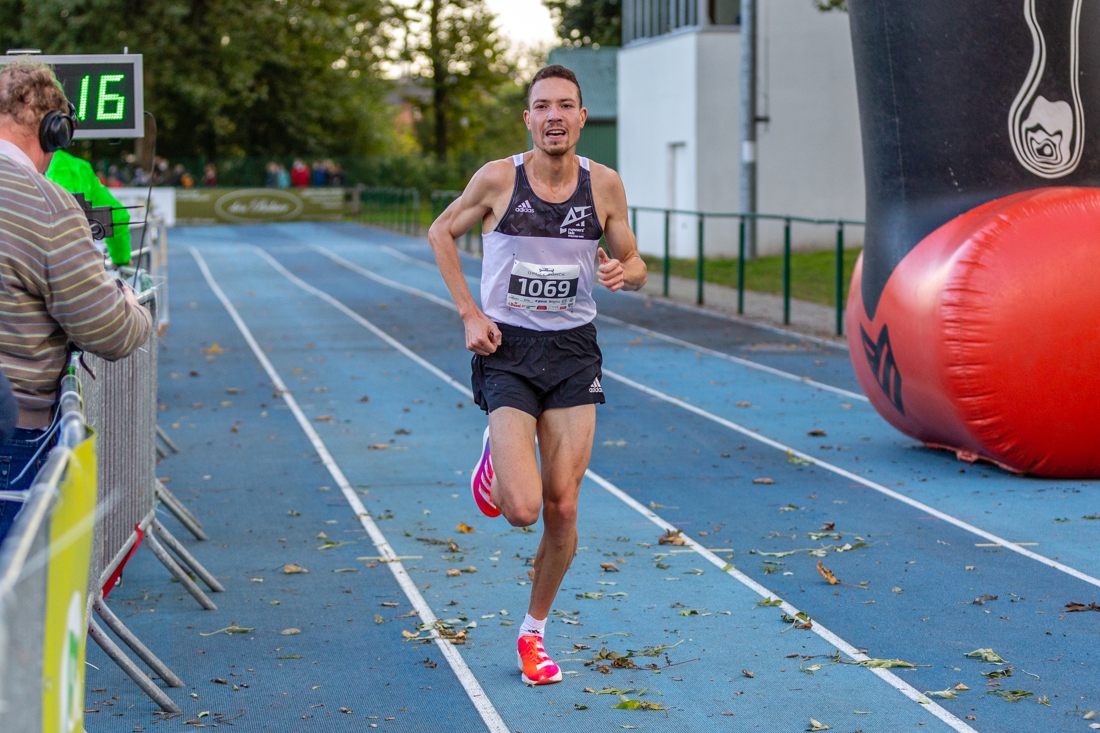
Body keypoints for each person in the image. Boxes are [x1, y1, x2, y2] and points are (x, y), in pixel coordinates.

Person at [428, 64, 647, 687]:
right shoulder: (499, 179)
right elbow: (441, 231)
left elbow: (635, 262)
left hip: (574, 351)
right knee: (522, 510)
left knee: (563, 506)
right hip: (508, 348)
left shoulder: (604, 185)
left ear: (582, 118)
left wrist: (624, 273)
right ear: (528, 119)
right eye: (543, 106)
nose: (555, 116)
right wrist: (470, 313)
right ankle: (494, 464)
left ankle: (533, 634)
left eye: (566, 105)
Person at [0, 62, 152, 542]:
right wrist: (133, 305)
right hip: (14, 434)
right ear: (54, 131)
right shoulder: (46, 204)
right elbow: (110, 331)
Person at [46, 148, 132, 266]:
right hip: (76, 267)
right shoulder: (77, 168)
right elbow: (118, 217)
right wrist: (121, 259)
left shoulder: (20, 171)